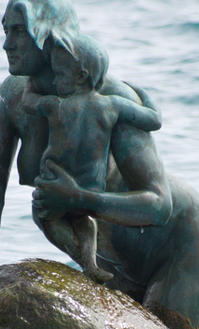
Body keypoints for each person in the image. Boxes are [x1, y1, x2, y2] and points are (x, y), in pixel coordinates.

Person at [0, 0, 199, 329]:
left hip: (180, 244)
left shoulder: (108, 100)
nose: (6, 44)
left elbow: (159, 206)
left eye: (19, 31)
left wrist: (78, 199)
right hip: (110, 261)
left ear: (51, 36)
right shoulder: (12, 101)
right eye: (5, 31)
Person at [22, 30, 161, 283]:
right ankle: (90, 264)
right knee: (85, 222)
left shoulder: (56, 105)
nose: (54, 81)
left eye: (59, 75)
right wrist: (142, 94)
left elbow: (28, 102)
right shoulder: (111, 106)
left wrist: (31, 82)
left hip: (54, 181)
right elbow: (153, 120)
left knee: (44, 216)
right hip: (89, 187)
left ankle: (82, 260)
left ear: (81, 76)